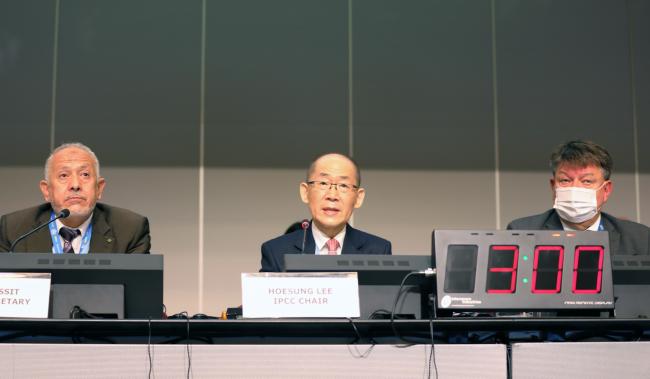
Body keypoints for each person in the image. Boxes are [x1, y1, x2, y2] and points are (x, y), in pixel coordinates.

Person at [0, 142, 151, 253]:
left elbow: (139, 292)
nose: (75, 185)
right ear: (47, 190)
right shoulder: (14, 230)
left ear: (99, 188)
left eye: (85, 174)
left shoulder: (129, 229)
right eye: (64, 175)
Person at [507, 140, 649, 255]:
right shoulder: (521, 232)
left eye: (587, 181)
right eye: (565, 180)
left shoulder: (640, 238)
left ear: (606, 190)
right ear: (553, 187)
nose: (574, 188)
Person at [260, 153, 391, 272]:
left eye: (343, 185)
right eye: (323, 183)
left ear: (358, 198)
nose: (332, 195)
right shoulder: (276, 251)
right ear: (305, 192)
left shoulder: (378, 251)